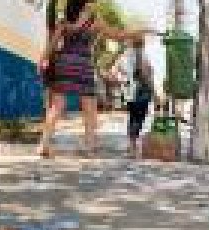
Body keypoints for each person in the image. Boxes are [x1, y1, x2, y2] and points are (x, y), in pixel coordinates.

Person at [37, 0, 146, 158]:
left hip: (64, 62)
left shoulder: (64, 20)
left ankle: (44, 144)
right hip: (82, 65)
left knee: (57, 106)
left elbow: (53, 45)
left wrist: (42, 60)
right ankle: (89, 147)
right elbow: (116, 35)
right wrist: (138, 32)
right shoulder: (92, 20)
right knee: (89, 107)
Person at [122, 37, 155, 158]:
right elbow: (145, 74)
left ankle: (131, 145)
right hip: (141, 90)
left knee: (132, 117)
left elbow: (122, 71)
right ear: (142, 43)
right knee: (139, 117)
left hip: (130, 90)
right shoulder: (141, 55)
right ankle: (133, 145)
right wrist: (153, 90)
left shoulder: (127, 56)